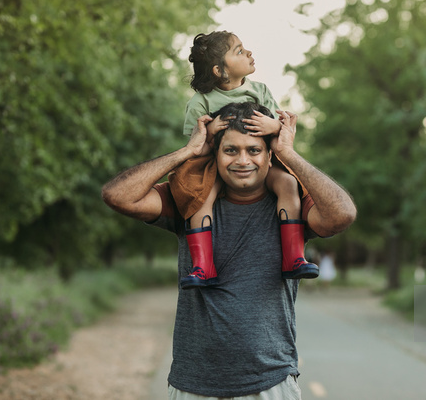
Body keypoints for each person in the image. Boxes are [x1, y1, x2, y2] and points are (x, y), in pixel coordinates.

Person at [101, 102, 356, 398]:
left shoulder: (293, 204)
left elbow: (343, 214)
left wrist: (289, 154)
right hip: (192, 384)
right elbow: (117, 196)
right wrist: (188, 151)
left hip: (271, 381)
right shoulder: (188, 200)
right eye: (231, 150)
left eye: (254, 150)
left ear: (269, 154)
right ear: (215, 153)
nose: (243, 160)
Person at [170, 30, 317, 289]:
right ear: (220, 70)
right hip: (216, 166)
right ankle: (203, 266)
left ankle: (293, 258)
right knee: (199, 196)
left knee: (288, 183)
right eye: (239, 51)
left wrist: (273, 125)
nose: (248, 53)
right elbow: (195, 147)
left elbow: (278, 132)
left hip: (259, 165)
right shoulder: (200, 102)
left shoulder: (259, 91)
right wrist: (210, 132)